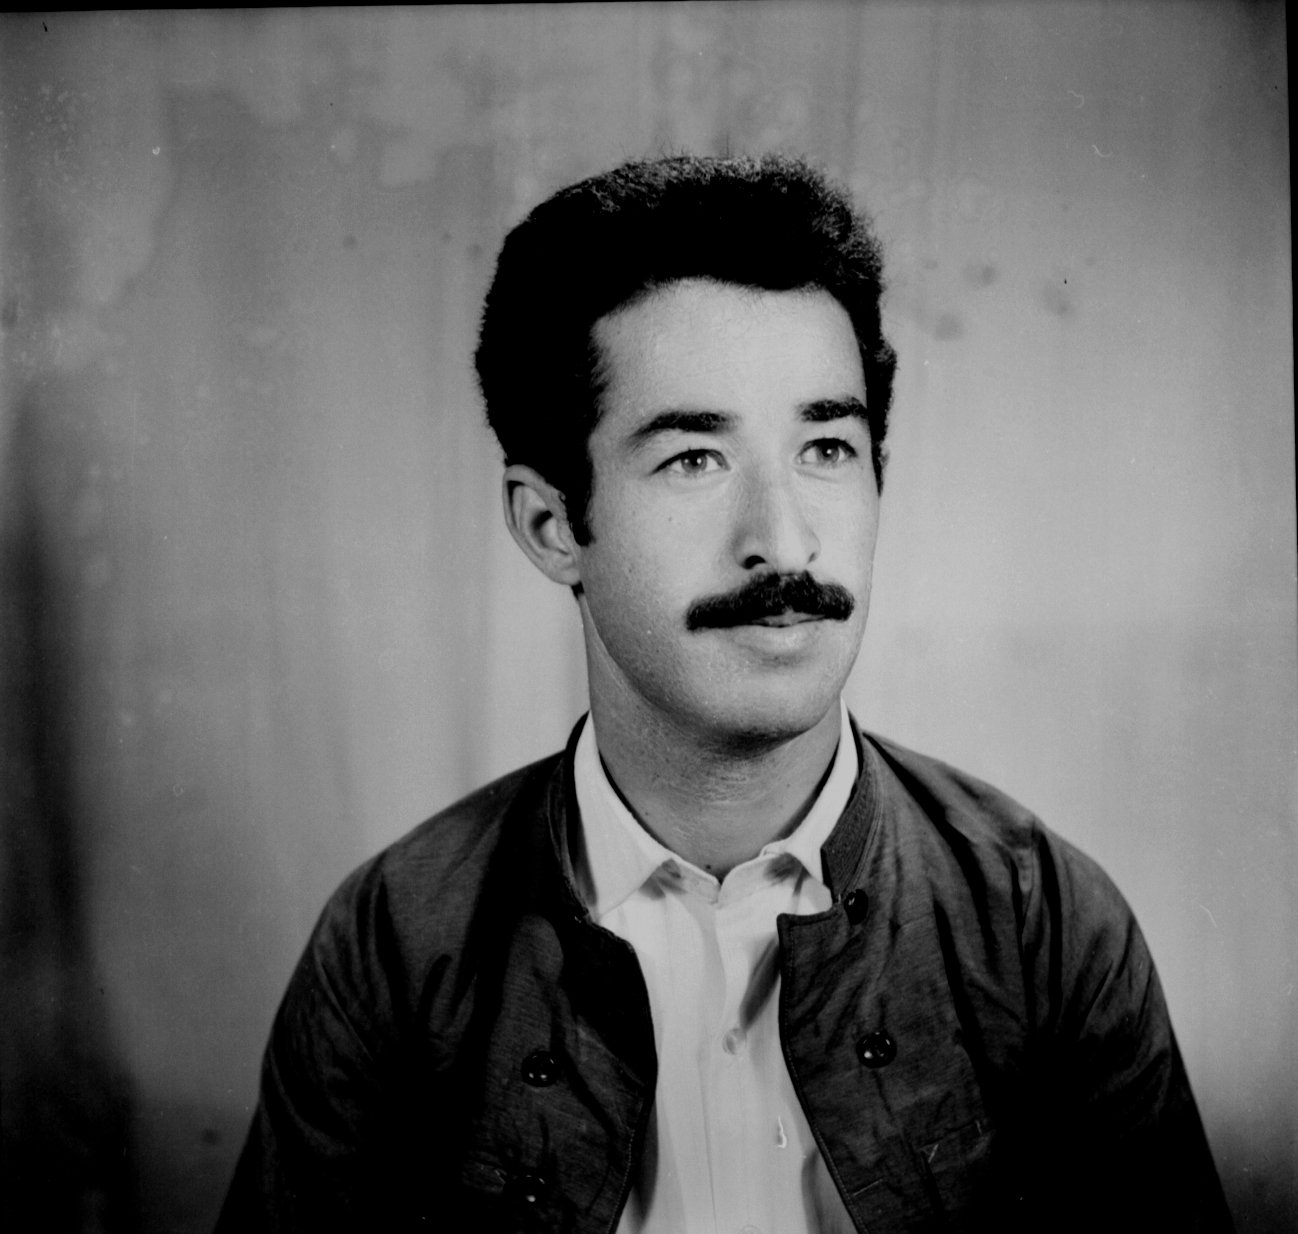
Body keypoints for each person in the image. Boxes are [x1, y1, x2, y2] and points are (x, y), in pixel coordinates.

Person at [217, 154, 1232, 1233]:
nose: (785, 541)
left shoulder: (1040, 920)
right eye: (695, 459)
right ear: (552, 526)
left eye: (826, 447)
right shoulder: (394, 944)